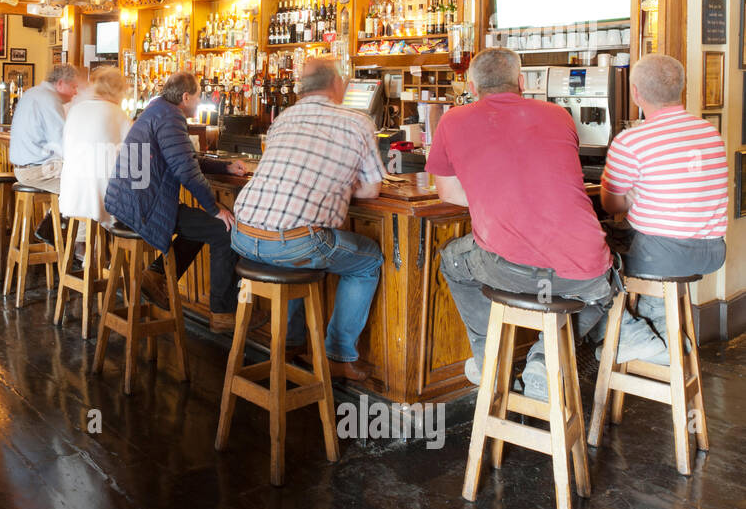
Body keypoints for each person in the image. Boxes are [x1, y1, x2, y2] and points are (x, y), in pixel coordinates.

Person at [426, 49, 615, 400]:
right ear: (523, 83)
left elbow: (448, 193)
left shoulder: (453, 120)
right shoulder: (560, 115)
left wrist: (492, 195)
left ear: (471, 85)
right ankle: (544, 359)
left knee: (453, 260)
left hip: (508, 268)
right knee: (602, 294)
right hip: (586, 270)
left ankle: (490, 363)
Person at [231, 59, 384, 379]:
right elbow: (371, 190)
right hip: (292, 244)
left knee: (295, 249)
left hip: (242, 236)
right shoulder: (357, 122)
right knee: (367, 259)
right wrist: (340, 182)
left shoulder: (285, 118)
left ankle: (289, 344)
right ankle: (338, 356)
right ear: (336, 85)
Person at [599, 54, 728, 363]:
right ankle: (658, 328)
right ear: (681, 89)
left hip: (662, 257)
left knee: (589, 256)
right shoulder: (710, 133)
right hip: (712, 252)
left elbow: (610, 204)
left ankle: (640, 333)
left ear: (635, 93)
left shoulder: (631, 141)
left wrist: (630, 196)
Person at [105, 71, 247, 333]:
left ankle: (156, 275)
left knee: (201, 226)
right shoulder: (170, 117)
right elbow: (186, 170)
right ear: (185, 97)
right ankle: (222, 314)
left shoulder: (158, 110)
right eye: (197, 95)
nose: (199, 99)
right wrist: (214, 209)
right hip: (143, 206)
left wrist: (225, 167)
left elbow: (184, 158)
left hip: (130, 202)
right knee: (223, 229)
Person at [59, 67, 132, 227]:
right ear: (117, 90)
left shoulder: (76, 109)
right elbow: (133, 157)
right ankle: (113, 246)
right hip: (101, 199)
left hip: (71, 194)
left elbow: (64, 149)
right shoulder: (118, 114)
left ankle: (84, 244)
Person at [9, 63, 82, 195]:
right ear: (60, 83)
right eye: (73, 87)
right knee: (86, 186)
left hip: (23, 169)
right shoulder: (50, 99)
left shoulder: (33, 92)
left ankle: (53, 214)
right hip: (36, 172)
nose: (76, 92)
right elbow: (62, 144)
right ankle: (58, 215)